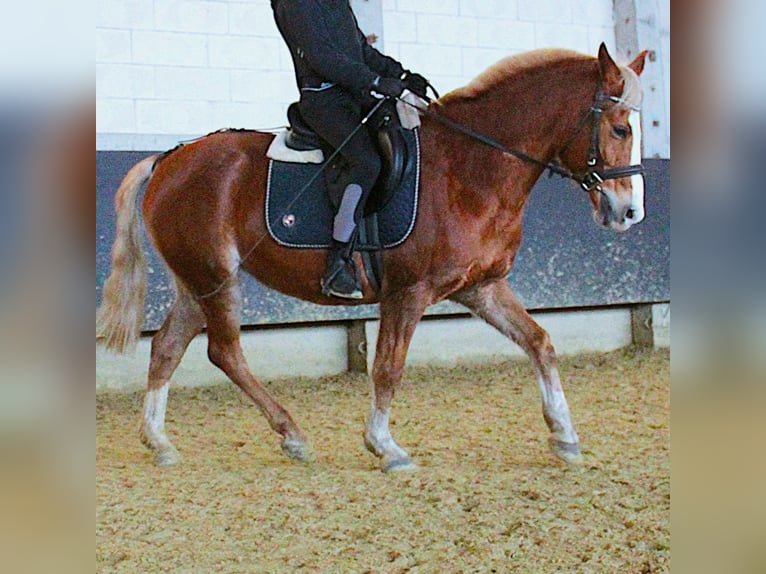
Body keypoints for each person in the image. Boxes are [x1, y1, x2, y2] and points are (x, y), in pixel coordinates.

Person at [271, 0, 430, 299]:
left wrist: (401, 75)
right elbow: (322, 58)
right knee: (366, 162)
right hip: (323, 101)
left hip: (352, 96)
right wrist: (376, 81)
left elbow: (361, 51)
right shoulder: (295, 5)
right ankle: (337, 261)